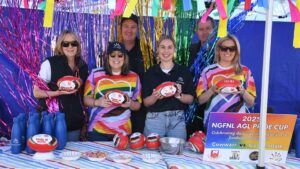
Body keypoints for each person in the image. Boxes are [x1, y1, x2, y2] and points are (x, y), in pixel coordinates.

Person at [33, 30, 89, 141]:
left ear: (78, 45)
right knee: (50, 155)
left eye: (74, 43)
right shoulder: (49, 63)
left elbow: (82, 95)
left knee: (71, 155)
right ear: (60, 46)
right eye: (65, 44)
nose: (70, 46)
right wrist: (58, 93)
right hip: (51, 122)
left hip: (74, 122)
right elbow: (36, 92)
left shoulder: (82, 66)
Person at [83, 41, 142, 141]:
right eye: (112, 55)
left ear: (125, 58)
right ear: (107, 57)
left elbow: (138, 105)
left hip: (123, 131)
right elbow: (86, 99)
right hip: (97, 131)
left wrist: (130, 104)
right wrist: (97, 102)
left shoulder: (134, 77)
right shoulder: (95, 74)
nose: (116, 59)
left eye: (120, 55)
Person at [196, 34, 256, 128]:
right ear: (218, 50)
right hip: (213, 122)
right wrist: (212, 90)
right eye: (224, 48)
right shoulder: (208, 71)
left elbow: (251, 102)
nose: (228, 51)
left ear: (236, 51)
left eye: (232, 48)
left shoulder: (245, 71)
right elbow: (200, 100)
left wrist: (242, 91)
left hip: (238, 122)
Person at [142, 35, 195, 140]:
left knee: (177, 153)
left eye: (169, 47)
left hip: (177, 119)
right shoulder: (150, 73)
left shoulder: (183, 71)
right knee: (152, 153)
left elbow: (191, 99)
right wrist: (155, 96)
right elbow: (146, 102)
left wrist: (179, 95)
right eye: (162, 47)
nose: (166, 51)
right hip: (154, 119)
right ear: (157, 49)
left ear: (174, 49)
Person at [187, 16, 215, 138]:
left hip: (213, 99)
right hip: (194, 101)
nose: (205, 32)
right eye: (201, 29)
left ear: (214, 30)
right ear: (196, 31)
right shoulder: (192, 49)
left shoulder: (221, 50)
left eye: (208, 28)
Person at [120, 14, 146, 133]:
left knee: (136, 140)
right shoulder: (114, 50)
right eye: (126, 26)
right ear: (120, 28)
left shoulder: (146, 51)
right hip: (117, 106)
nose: (129, 30)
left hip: (138, 107)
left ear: (138, 29)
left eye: (133, 27)